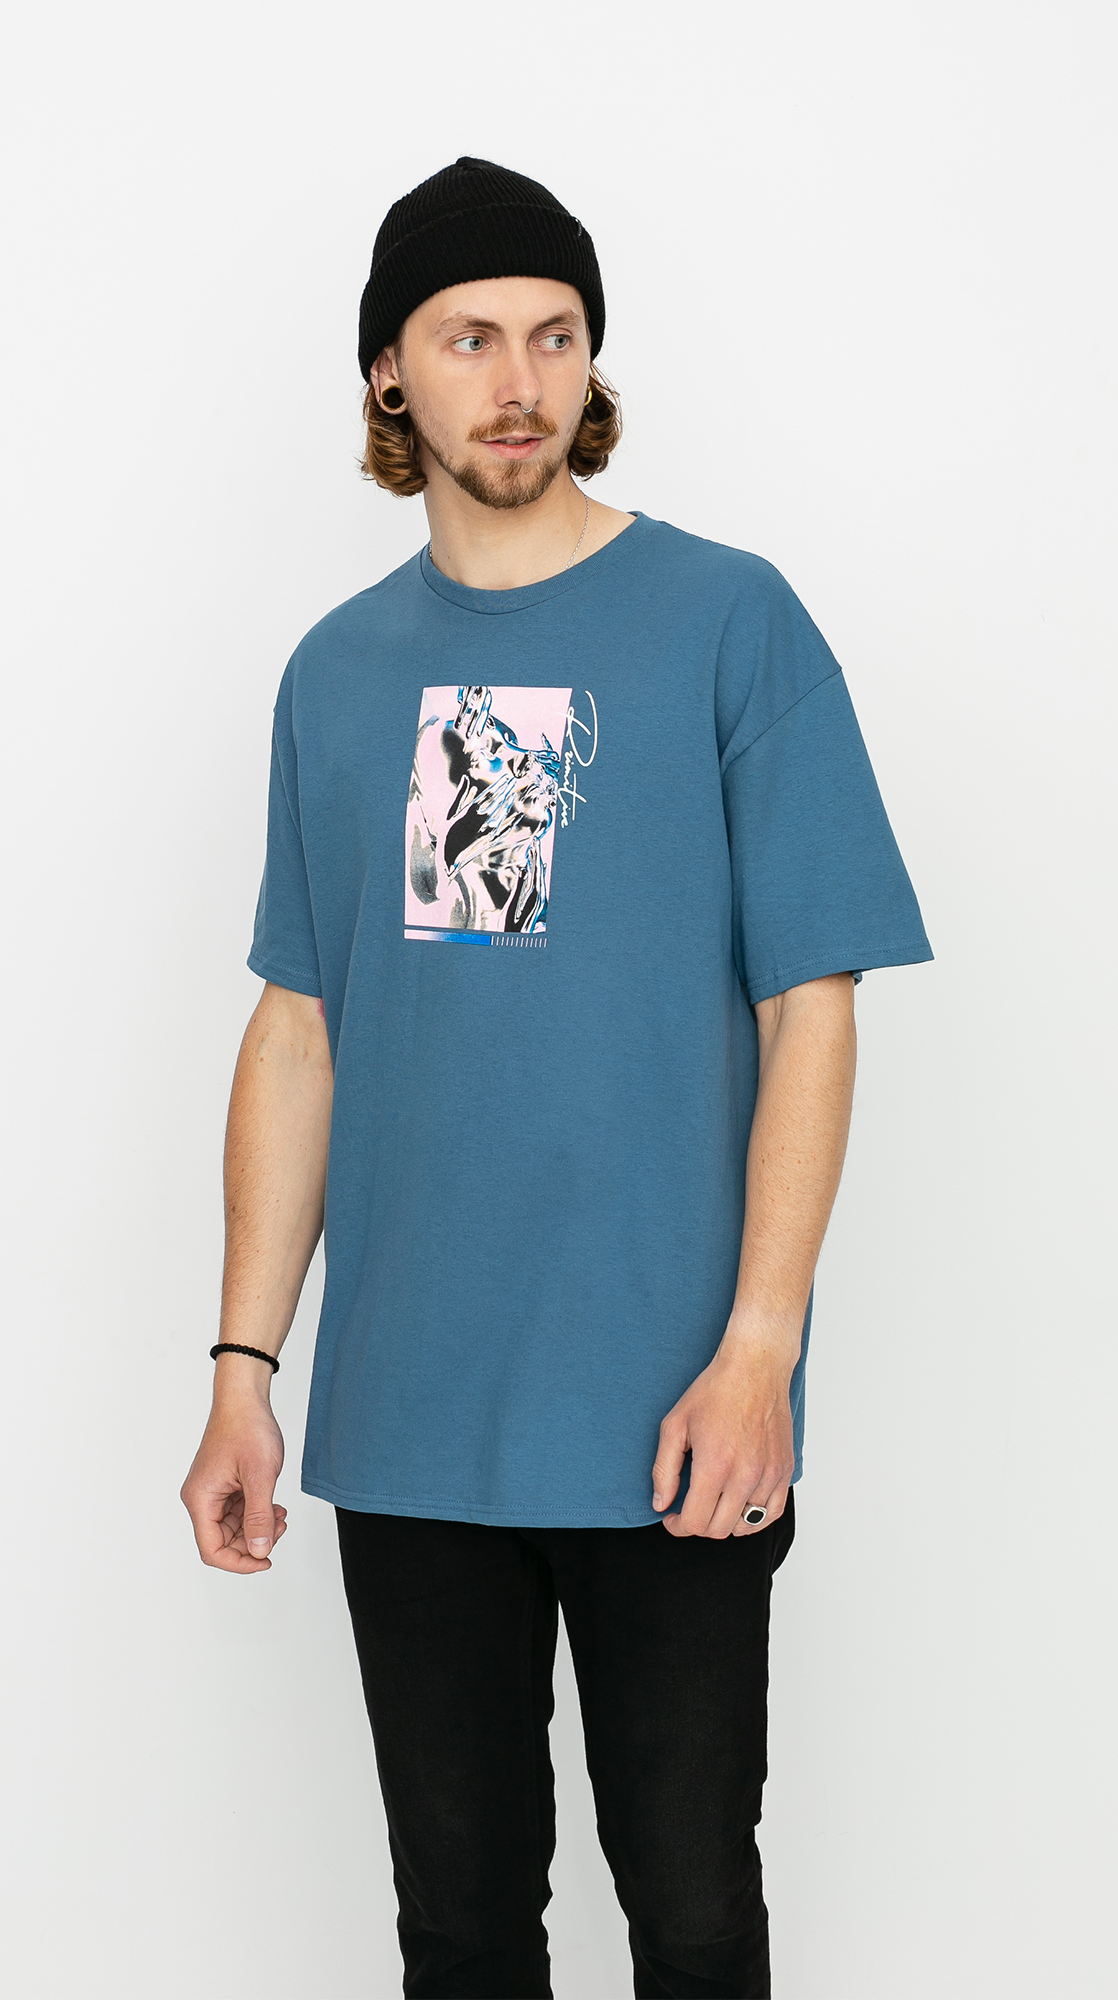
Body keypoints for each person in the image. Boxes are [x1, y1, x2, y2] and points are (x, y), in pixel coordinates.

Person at [181, 157, 932, 2000]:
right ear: (390, 373)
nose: (518, 382)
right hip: (412, 1414)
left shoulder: (728, 622)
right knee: (458, 1930)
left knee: (693, 1912)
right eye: (468, 340)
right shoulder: (338, 673)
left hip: (673, 1411)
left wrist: (760, 1351)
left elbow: (811, 1008)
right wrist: (242, 1369)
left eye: (553, 335)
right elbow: (304, 1027)